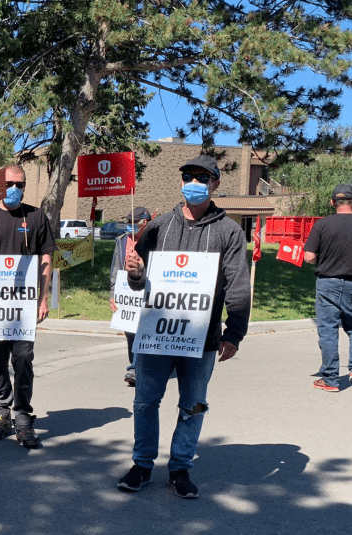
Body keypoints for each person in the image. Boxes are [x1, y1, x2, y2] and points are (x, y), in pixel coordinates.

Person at [118, 154, 250, 499]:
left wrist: (235, 332)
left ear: (215, 184)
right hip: (154, 336)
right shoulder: (159, 225)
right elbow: (136, 283)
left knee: (193, 405)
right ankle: (142, 465)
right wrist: (134, 272)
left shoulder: (229, 232)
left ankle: (179, 469)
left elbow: (238, 284)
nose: (194, 182)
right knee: (145, 402)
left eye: (203, 178)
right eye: (189, 176)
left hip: (202, 339)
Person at [0, 164, 55, 448]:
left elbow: (46, 259)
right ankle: (2, 412)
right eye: (10, 184)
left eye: (21, 184)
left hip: (24, 305)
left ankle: (23, 416)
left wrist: (44, 297)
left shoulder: (37, 216)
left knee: (23, 358)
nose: (15, 189)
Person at [303, 184, 352, 393]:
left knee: (328, 330)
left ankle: (331, 379)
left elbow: (309, 256)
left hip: (328, 283)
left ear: (333, 203)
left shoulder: (322, 225)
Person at [109, 207, 152, 386]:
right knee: (129, 331)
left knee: (142, 329)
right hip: (126, 294)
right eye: (128, 222)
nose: (131, 226)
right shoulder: (121, 242)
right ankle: (135, 365)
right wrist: (113, 294)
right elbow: (114, 270)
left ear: (146, 222)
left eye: (135, 223)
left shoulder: (153, 240)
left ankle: (135, 368)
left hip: (146, 291)